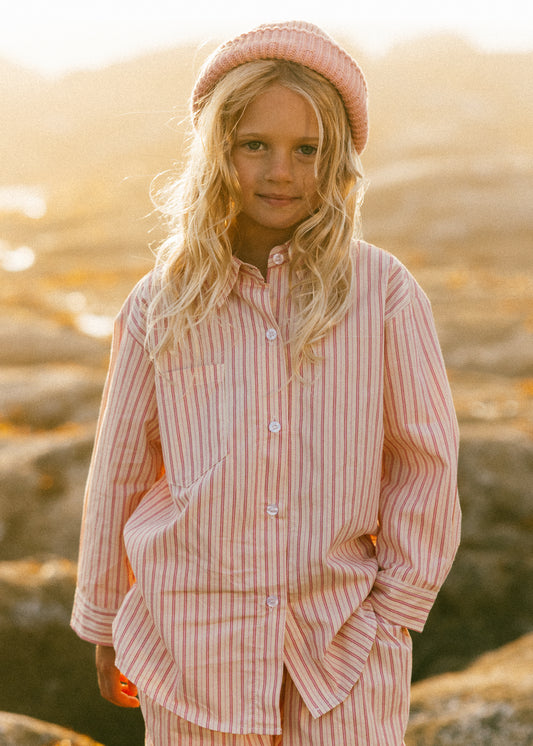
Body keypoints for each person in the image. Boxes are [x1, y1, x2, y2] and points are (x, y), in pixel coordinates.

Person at [71, 20, 461, 745]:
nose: (280, 171)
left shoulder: (383, 292)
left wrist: (395, 613)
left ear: (336, 158)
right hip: (190, 649)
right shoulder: (161, 302)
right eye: (255, 145)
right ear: (219, 150)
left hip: (340, 650)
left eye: (305, 150)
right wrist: (103, 620)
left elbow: (424, 458)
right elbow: (119, 471)